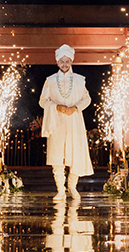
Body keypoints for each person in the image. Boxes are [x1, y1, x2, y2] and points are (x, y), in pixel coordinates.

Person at [39, 44, 94, 202]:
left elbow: (87, 98)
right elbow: (43, 101)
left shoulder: (79, 80)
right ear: (57, 62)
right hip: (56, 121)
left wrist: (76, 108)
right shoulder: (50, 81)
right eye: (61, 61)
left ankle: (72, 187)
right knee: (57, 156)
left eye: (67, 61)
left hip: (74, 120)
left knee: (75, 154)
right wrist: (56, 107)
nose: (64, 64)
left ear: (71, 62)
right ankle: (60, 190)